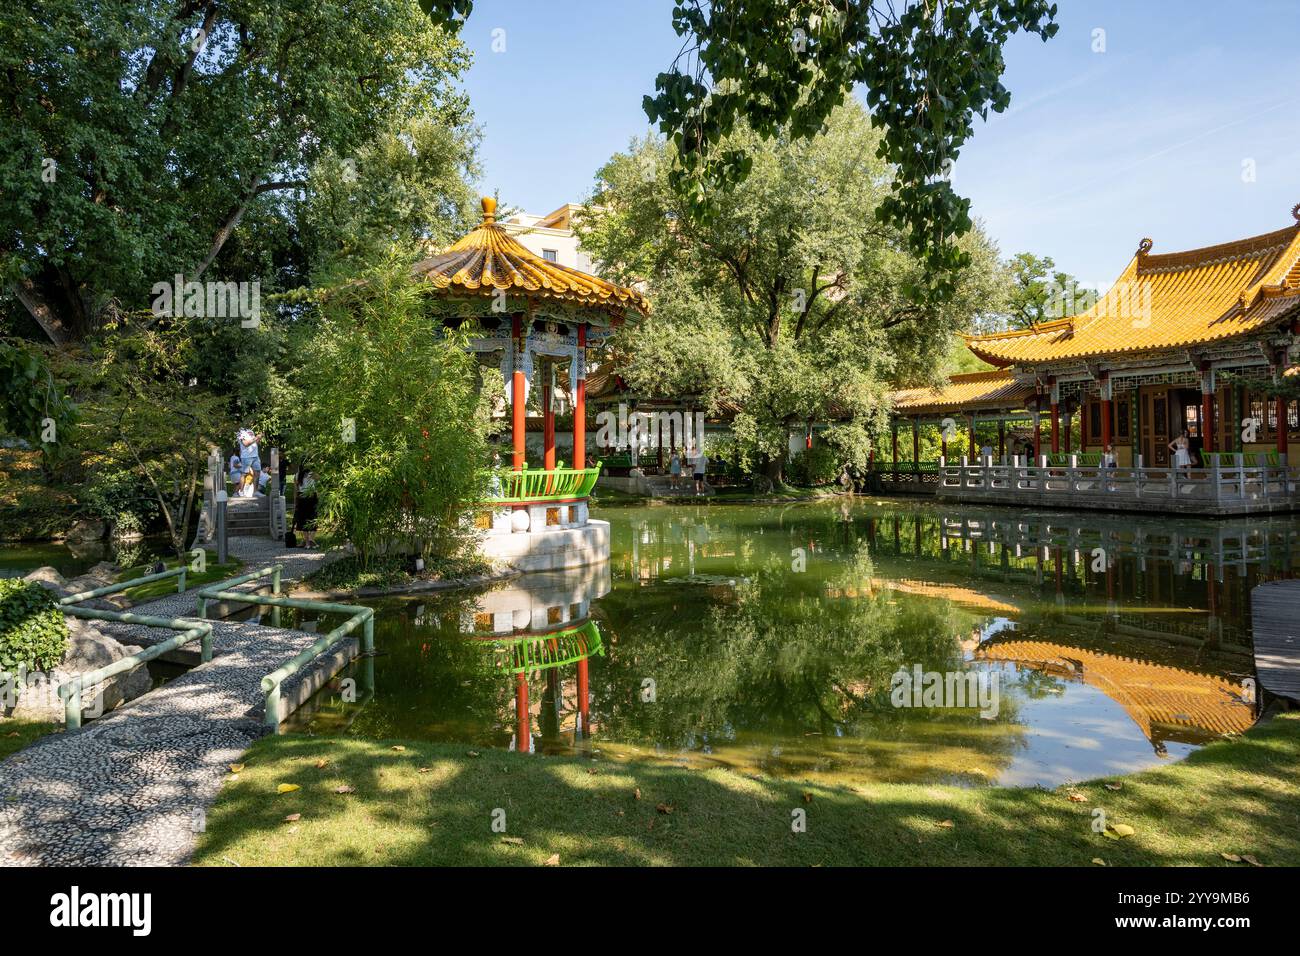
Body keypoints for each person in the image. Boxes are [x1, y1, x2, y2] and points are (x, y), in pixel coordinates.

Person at [295, 470, 319, 547]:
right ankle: (311, 539)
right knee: (313, 517)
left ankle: (307, 542)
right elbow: (320, 480)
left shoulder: (297, 475)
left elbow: (296, 489)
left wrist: (295, 502)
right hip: (312, 496)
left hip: (301, 497)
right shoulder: (313, 474)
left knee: (303, 519)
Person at [236, 426, 262, 490]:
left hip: (255, 456)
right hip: (246, 457)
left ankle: (255, 492)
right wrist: (256, 437)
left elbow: (255, 443)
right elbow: (246, 443)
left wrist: (259, 438)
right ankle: (241, 491)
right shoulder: (240, 433)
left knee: (257, 473)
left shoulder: (251, 431)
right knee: (244, 474)